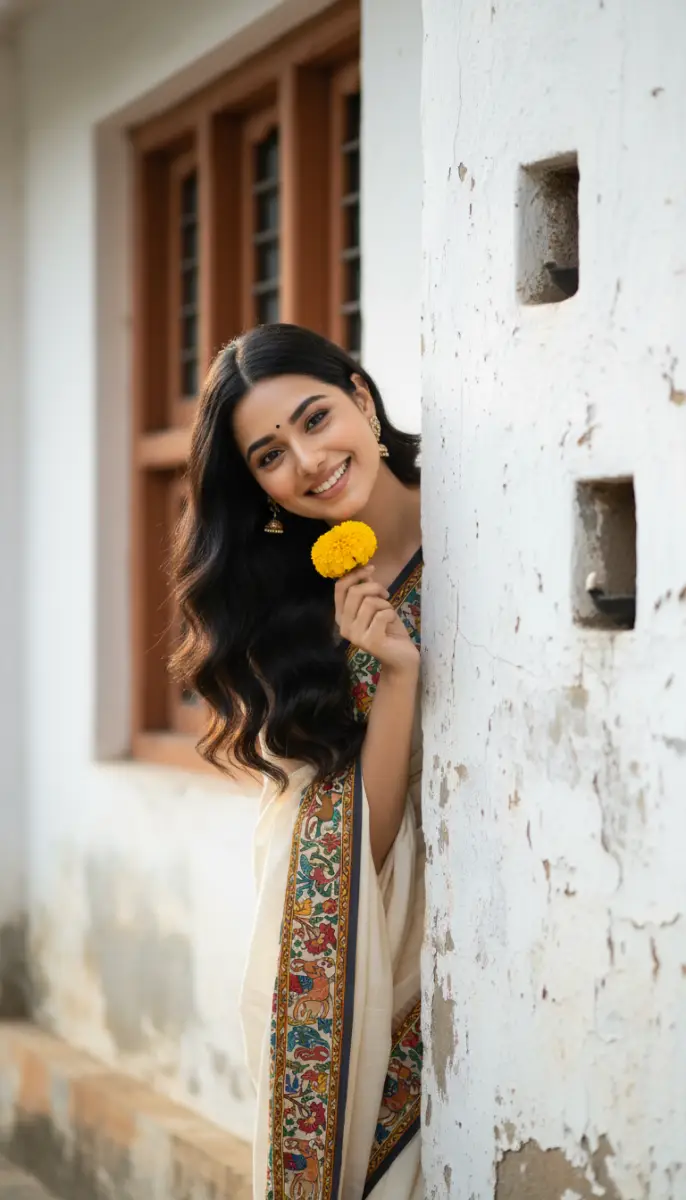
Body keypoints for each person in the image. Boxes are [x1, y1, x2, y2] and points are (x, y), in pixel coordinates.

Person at [171, 324, 424, 1199]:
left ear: (361, 396)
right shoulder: (298, 617)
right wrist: (394, 674)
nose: (310, 461)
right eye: (272, 456)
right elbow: (365, 837)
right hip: (388, 932)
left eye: (317, 418)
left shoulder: (488, 507)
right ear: (262, 493)